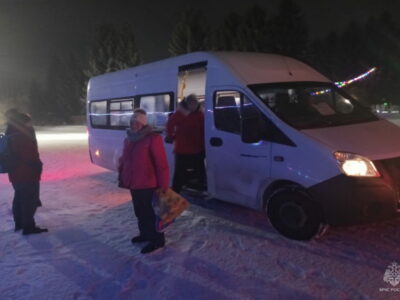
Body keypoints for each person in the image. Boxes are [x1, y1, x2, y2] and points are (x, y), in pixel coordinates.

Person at [118, 108, 169, 254]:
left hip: (149, 184)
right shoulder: (128, 139)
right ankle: (145, 234)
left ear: (143, 124)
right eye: (132, 121)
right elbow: (125, 160)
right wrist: (122, 171)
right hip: (134, 183)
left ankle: (157, 240)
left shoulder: (153, 139)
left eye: (137, 122)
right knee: (139, 212)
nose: (134, 124)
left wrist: (164, 186)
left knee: (151, 214)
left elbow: (162, 164)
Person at [5, 110, 47, 235]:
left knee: (19, 198)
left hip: (15, 173)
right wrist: (37, 166)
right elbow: (30, 155)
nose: (31, 124)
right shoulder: (22, 136)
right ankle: (28, 227)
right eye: (28, 122)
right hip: (27, 173)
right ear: (23, 122)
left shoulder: (10, 132)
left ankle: (19, 223)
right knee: (29, 200)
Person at [166, 94, 206, 194]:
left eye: (195, 103)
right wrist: (170, 136)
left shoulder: (201, 114)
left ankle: (200, 188)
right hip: (182, 149)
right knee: (179, 174)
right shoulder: (180, 114)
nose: (193, 105)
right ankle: (176, 193)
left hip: (198, 148)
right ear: (187, 103)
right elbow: (170, 124)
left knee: (200, 171)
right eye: (191, 103)